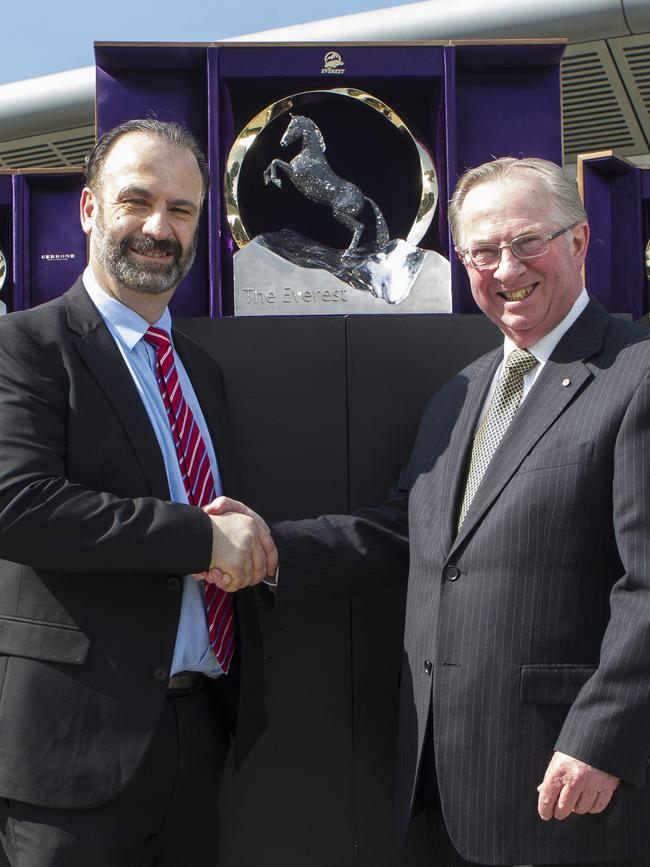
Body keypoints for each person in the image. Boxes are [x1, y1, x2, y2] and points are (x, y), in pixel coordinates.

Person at [213, 157, 650, 866]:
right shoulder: (464, 391)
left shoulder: (637, 372)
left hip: (569, 781)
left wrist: (601, 738)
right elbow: (402, 532)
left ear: (579, 241)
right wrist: (268, 548)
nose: (505, 269)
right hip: (438, 777)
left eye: (527, 242)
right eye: (482, 251)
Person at [0, 119, 277, 867]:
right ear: (89, 209)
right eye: (137, 201)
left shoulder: (201, 372)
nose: (160, 227)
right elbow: (16, 505)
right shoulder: (23, 346)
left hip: (197, 734)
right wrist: (199, 538)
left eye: (181, 210)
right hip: (73, 752)